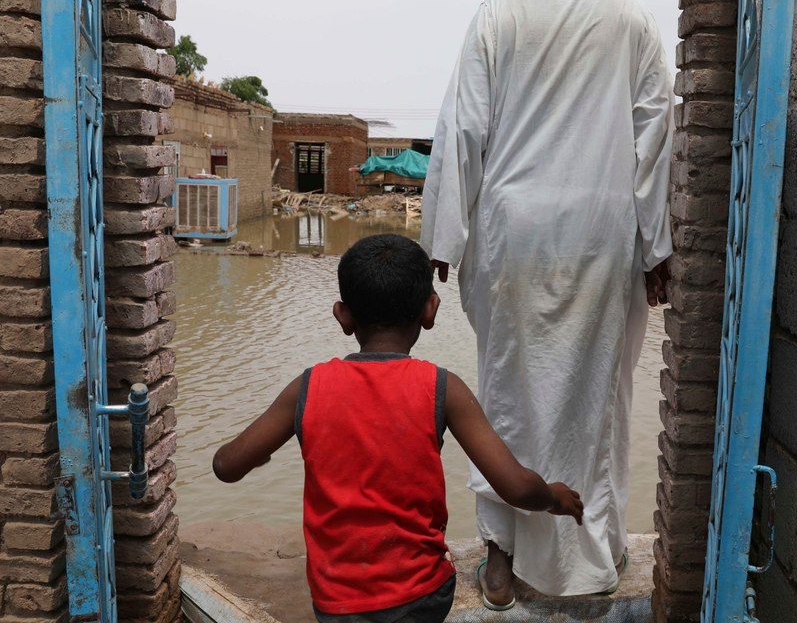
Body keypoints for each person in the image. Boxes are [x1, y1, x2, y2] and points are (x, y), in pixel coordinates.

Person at [420, 0, 674, 608]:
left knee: (504, 393)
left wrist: (442, 243)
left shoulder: (496, 13)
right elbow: (656, 134)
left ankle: (501, 559)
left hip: (511, 235)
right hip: (603, 233)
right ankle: (597, 556)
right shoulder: (632, 16)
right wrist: (658, 244)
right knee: (600, 398)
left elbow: (462, 127)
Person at [212, 234, 584, 623]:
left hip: (337, 602)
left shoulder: (308, 387)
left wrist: (264, 452)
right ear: (431, 309)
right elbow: (517, 487)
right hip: (423, 596)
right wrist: (554, 498)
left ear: (343, 315)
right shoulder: (442, 387)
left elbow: (226, 465)